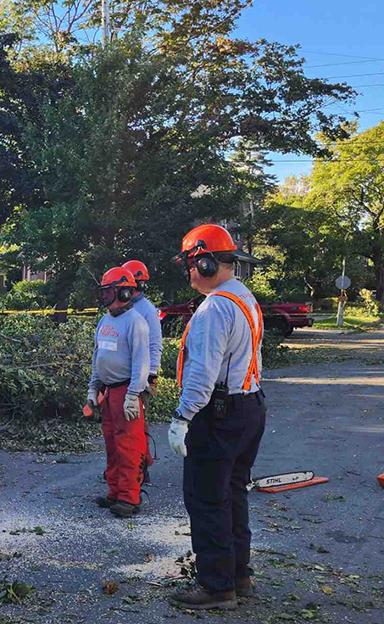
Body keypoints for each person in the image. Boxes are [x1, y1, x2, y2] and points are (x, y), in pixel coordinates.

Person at [167, 224, 266, 611]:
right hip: (249, 406)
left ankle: (216, 585)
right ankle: (238, 573)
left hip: (220, 413)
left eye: (192, 264)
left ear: (206, 261)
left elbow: (202, 374)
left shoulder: (215, 309)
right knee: (233, 494)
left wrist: (182, 416)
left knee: (207, 498)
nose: (190, 272)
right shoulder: (245, 299)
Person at [86, 267, 150, 518]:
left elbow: (141, 363)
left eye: (108, 291)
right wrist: (93, 388)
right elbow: (98, 356)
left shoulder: (136, 322)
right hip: (109, 391)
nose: (104, 297)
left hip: (126, 391)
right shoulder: (106, 321)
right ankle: (115, 491)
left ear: (123, 291)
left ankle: (129, 497)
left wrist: (134, 395)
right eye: (103, 292)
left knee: (129, 446)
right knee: (112, 444)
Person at [121, 259, 163, 484]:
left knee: (137, 425)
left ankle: (140, 468)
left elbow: (155, 344)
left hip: (141, 375)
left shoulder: (145, 310)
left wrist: (152, 375)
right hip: (125, 375)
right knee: (125, 425)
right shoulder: (125, 307)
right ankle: (126, 467)